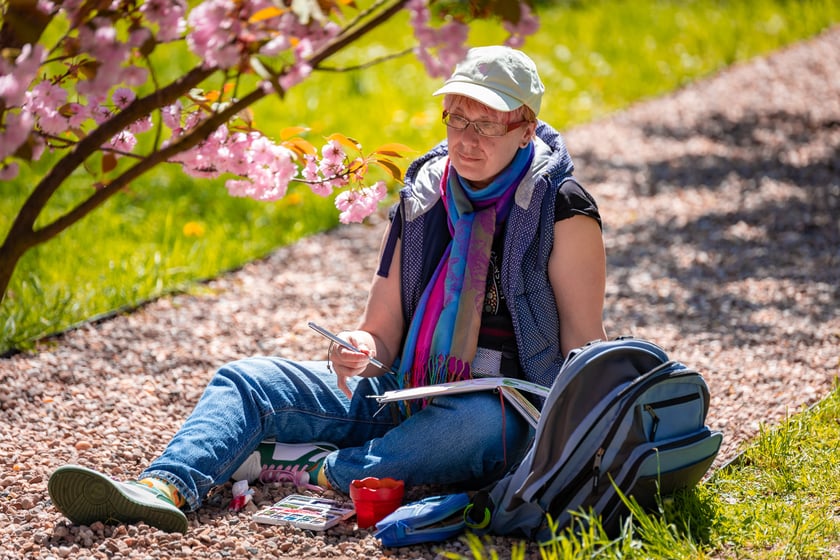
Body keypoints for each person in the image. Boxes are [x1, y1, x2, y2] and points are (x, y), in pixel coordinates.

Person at [47, 45, 608, 534]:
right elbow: (381, 329)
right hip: (403, 386)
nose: (465, 139)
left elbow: (584, 350)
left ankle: (320, 467)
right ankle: (163, 489)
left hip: (502, 405)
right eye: (455, 119)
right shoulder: (425, 195)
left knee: (479, 426)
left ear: (527, 128)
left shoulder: (562, 209)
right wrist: (358, 347)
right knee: (246, 380)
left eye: (486, 125)